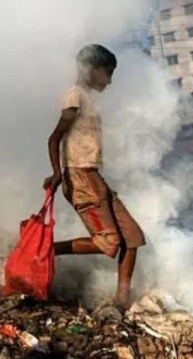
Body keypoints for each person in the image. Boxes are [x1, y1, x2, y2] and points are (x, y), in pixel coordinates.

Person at [43, 44, 146, 308]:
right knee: (109, 243)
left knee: (132, 236)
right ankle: (47, 250)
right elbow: (55, 138)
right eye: (107, 73)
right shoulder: (74, 97)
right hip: (80, 177)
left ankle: (122, 299)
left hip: (93, 175)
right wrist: (58, 173)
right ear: (90, 69)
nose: (109, 80)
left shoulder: (87, 99)